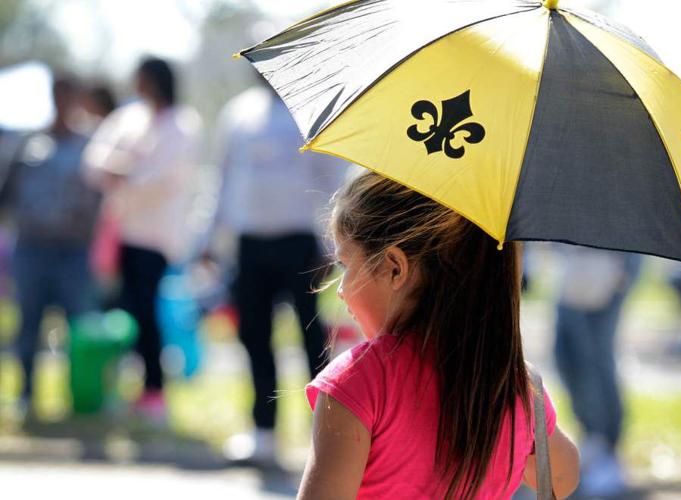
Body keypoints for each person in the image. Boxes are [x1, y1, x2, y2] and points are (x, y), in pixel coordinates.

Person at [298, 171, 580, 499]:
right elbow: (563, 478)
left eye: (346, 265)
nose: (341, 290)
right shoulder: (511, 382)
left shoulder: (358, 381)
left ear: (394, 267)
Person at [208, 81, 348, 466]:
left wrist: (331, 245)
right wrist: (208, 237)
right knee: (254, 334)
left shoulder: (310, 111)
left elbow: (331, 178)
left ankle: (329, 434)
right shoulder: (237, 113)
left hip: (299, 242)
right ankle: (263, 432)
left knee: (310, 336)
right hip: (249, 240)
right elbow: (222, 179)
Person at [84, 57, 202, 419]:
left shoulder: (183, 124)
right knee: (120, 313)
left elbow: (162, 180)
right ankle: (121, 385)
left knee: (147, 313)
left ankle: (154, 391)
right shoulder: (128, 118)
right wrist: (124, 170)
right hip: (119, 234)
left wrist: (125, 174)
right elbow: (95, 161)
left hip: (156, 238)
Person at [0, 75, 100, 416]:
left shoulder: (90, 145)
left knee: (80, 327)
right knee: (28, 324)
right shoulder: (28, 145)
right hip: (31, 248)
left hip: (74, 250)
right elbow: (7, 193)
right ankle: (25, 396)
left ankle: (80, 398)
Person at [553, 247, 641, 497]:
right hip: (578, 253)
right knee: (566, 355)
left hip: (611, 249)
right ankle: (594, 441)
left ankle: (605, 449)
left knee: (594, 358)